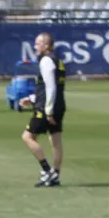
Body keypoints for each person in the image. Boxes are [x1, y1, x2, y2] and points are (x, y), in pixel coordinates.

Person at [21, 32, 66, 188]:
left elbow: (50, 87)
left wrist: (48, 111)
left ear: (46, 45)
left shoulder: (46, 60)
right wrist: (32, 98)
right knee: (55, 140)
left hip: (46, 107)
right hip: (58, 104)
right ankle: (56, 175)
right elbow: (52, 87)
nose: (35, 46)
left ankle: (47, 171)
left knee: (27, 137)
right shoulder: (58, 61)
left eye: (38, 43)